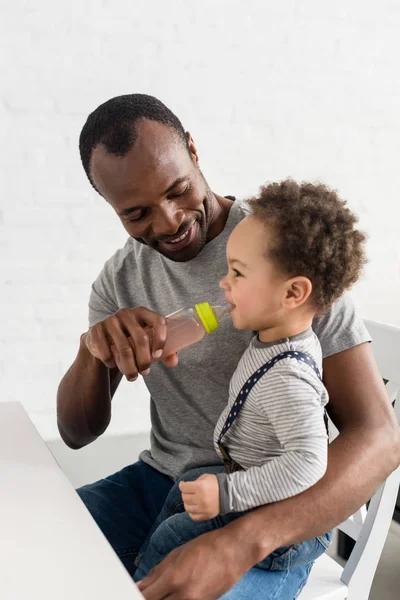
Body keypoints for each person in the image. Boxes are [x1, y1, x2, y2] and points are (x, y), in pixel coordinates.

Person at [57, 94, 400, 600]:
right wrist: (94, 349)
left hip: (269, 508)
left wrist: (242, 542)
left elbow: (380, 439)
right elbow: (76, 432)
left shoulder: (284, 251)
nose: (169, 221)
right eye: (136, 213)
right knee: (31, 545)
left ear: (193, 150)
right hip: (164, 483)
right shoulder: (121, 279)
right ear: (110, 205)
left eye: (178, 191)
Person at [133, 179, 366, 582]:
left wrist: (226, 495)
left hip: (282, 522)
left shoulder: (288, 378)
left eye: (237, 273)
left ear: (293, 293)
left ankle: (144, 582)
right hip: (255, 481)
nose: (223, 283)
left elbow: (309, 462)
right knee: (184, 490)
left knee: (176, 533)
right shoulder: (275, 337)